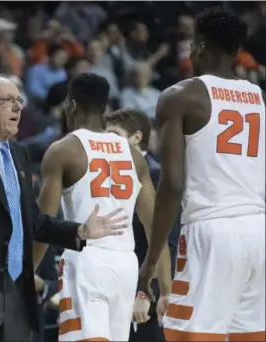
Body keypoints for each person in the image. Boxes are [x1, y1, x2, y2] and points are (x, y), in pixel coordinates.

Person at [0, 74, 127, 342]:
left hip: (18, 294)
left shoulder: (20, 154)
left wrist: (79, 231)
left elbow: (32, 220)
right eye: (7, 100)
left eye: (19, 100)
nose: (17, 107)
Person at [138, 7, 265, 342]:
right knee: (249, 336)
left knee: (189, 336)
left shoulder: (181, 96)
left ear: (200, 47)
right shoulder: (259, 98)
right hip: (258, 230)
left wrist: (152, 259)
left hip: (212, 231)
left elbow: (173, 183)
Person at [35, 73, 172, 341]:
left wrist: (28, 273)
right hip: (125, 265)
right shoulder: (133, 155)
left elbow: (44, 224)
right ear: (105, 108)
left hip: (86, 260)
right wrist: (165, 288)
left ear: (71, 105)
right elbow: (156, 228)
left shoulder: (64, 150)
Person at [105, 108, 182, 342]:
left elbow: (166, 241)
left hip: (144, 290)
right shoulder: (109, 173)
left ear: (137, 138)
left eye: (114, 136)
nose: (107, 143)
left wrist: (145, 291)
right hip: (115, 282)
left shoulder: (157, 176)